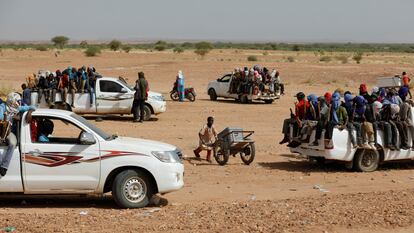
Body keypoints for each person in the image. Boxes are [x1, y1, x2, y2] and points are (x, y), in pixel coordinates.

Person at [0, 92, 35, 176]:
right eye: (17, 101)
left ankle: (4, 166)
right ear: (12, 101)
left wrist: (30, 111)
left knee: (13, 143)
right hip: (1, 130)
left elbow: (33, 107)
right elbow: (1, 117)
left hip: (9, 131)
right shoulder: (2, 107)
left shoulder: (17, 108)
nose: (18, 103)